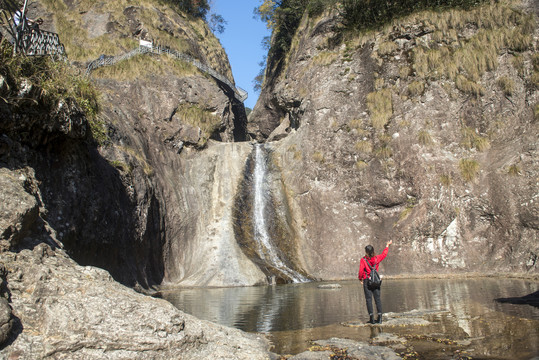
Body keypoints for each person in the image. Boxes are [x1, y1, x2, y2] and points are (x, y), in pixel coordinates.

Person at [358, 239, 392, 324]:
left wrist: (360, 279)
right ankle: (380, 318)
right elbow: (384, 254)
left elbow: (361, 271)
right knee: (377, 299)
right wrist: (387, 246)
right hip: (376, 281)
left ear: (366, 251)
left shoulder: (363, 260)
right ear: (373, 251)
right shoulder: (377, 258)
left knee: (368, 300)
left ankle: (372, 319)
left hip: (367, 281)